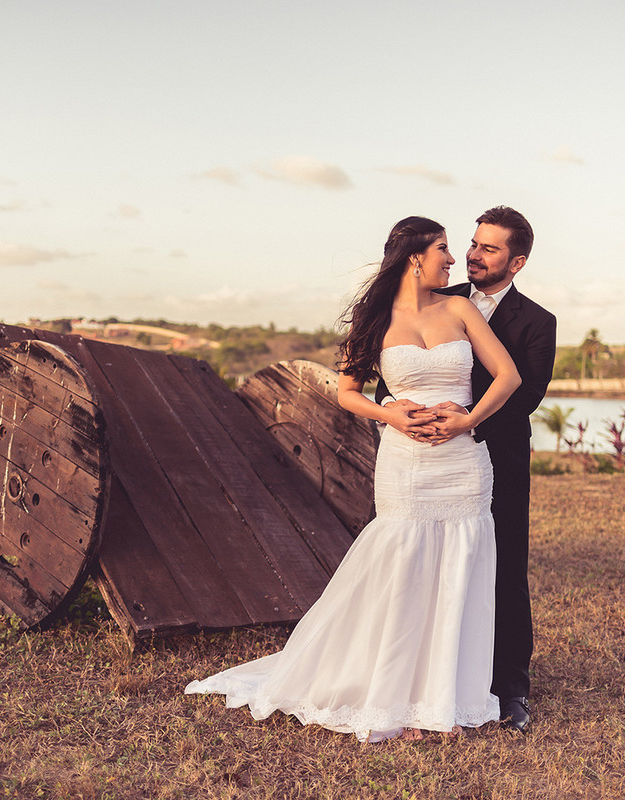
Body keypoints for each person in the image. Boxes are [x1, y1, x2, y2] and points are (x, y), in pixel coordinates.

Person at [185, 216, 520, 742]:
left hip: (461, 463)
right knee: (404, 570)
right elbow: (347, 391)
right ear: (415, 256)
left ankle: (441, 700)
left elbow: (509, 376)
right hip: (406, 464)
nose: (452, 260)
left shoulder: (460, 309)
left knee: (458, 572)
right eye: (443, 249)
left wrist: (467, 419)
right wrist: (391, 413)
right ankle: (394, 697)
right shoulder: (373, 320)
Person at [378, 206, 557, 734]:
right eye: (473, 244)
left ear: (517, 262)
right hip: (420, 455)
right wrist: (411, 413)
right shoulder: (436, 298)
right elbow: (392, 371)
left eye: (489, 248)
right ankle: (424, 676)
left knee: (503, 567)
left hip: (493, 455)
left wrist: (464, 420)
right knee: (417, 563)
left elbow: (525, 394)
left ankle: (510, 686)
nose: (473, 255)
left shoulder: (537, 322)